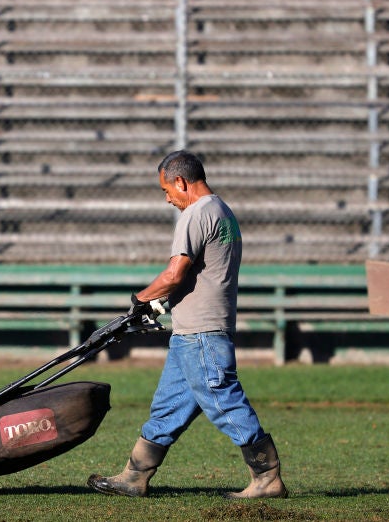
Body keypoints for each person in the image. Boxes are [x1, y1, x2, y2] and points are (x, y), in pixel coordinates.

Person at [87, 150, 288, 499]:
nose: (167, 198)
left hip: (202, 333)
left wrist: (140, 299)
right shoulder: (222, 212)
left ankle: (267, 477)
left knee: (223, 400)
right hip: (191, 332)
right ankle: (134, 476)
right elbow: (200, 274)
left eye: (167, 190)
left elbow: (174, 273)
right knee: (168, 407)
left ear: (181, 181)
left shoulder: (196, 213)